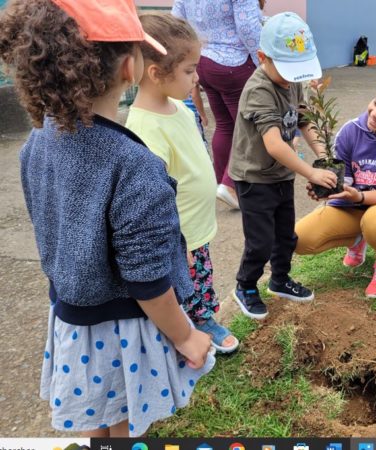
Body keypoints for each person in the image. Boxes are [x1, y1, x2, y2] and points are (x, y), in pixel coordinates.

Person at [0, 0, 215, 437]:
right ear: (128, 69)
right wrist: (185, 336)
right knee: (124, 425)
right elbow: (148, 280)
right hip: (122, 330)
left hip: (70, 316)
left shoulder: (38, 142)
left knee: (96, 418)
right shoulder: (135, 165)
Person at [126, 13, 239, 354]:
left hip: (196, 228)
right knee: (182, 286)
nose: (197, 77)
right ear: (156, 73)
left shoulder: (179, 107)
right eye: (190, 70)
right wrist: (175, 242)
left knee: (201, 281)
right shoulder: (144, 129)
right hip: (178, 235)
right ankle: (183, 333)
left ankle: (202, 320)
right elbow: (153, 198)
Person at [228, 12, 337, 320]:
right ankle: (246, 285)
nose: (293, 77)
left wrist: (320, 153)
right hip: (254, 177)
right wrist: (311, 171)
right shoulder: (258, 89)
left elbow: (304, 119)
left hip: (280, 174)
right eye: (288, 69)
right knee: (260, 241)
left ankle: (279, 279)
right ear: (263, 57)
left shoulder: (291, 82)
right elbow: (274, 144)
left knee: (285, 235)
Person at [296, 77, 376, 298]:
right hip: (351, 205)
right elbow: (344, 178)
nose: (375, 113)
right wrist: (327, 187)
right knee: (300, 240)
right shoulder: (351, 130)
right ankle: (358, 238)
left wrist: (361, 197)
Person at [172, 0, 263, 210]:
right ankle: (230, 186)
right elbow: (248, 27)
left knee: (224, 125)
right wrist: (263, 62)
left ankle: (220, 183)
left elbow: (176, 21)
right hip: (234, 62)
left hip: (203, 61)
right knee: (248, 128)